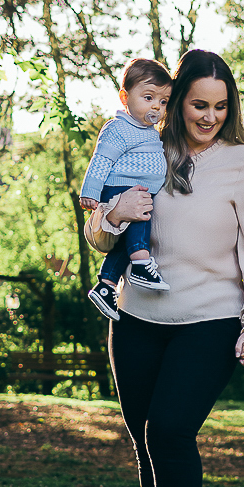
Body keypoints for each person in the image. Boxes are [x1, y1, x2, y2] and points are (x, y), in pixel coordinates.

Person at [84, 48, 244, 487]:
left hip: (211, 317)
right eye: (198, 104)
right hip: (138, 317)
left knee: (169, 428)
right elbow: (100, 236)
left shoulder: (243, 162)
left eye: (220, 106)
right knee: (146, 442)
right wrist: (113, 215)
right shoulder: (144, 146)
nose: (209, 116)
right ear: (175, 101)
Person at [79, 57, 173, 320]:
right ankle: (142, 263)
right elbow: (101, 159)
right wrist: (91, 192)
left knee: (122, 241)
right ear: (125, 97)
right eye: (148, 97)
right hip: (122, 189)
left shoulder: (149, 130)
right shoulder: (118, 128)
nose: (156, 106)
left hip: (138, 190)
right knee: (139, 222)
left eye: (163, 101)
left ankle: (106, 286)